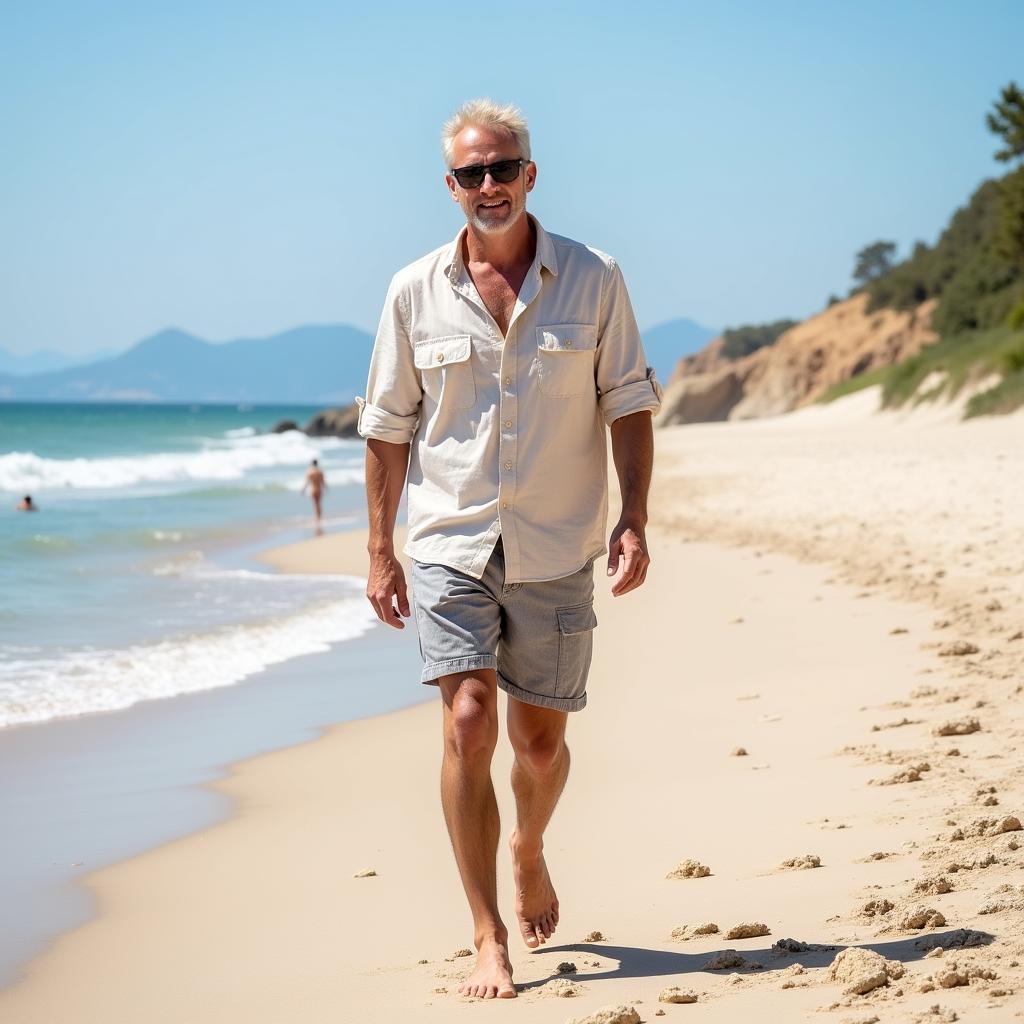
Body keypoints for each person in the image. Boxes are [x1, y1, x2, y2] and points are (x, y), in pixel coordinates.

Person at [356, 99, 662, 1000]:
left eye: (502, 169)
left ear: (531, 174)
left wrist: (634, 516)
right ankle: (486, 933)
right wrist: (381, 549)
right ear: (449, 187)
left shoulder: (594, 277)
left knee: (535, 749)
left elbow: (631, 403)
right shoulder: (413, 290)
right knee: (467, 720)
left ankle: (528, 845)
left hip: (558, 540)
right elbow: (387, 428)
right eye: (469, 174)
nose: (487, 186)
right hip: (450, 539)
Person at [301, 459, 326, 527]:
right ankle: (319, 518)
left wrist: (303, 489)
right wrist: (325, 488)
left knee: (315, 505)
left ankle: (317, 519)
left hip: (313, 490)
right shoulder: (320, 472)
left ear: (312, 464)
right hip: (319, 489)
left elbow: (306, 483)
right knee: (319, 504)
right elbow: (323, 482)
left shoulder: (310, 472)